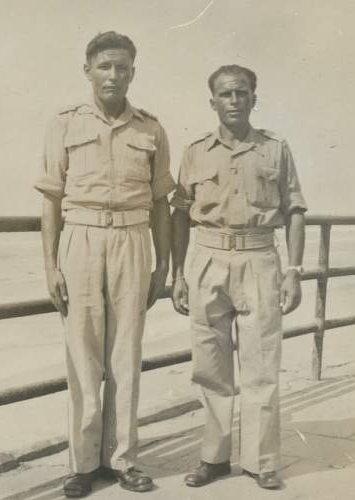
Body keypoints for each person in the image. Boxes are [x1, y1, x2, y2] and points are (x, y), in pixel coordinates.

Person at [34, 31, 175, 497]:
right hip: (80, 239)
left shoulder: (150, 129)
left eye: (123, 67)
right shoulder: (63, 124)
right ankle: (82, 464)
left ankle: (124, 460)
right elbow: (51, 200)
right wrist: (51, 265)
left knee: (126, 357)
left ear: (134, 71)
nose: (114, 75)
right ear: (88, 70)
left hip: (133, 241)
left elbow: (160, 203)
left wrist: (162, 265)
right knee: (82, 355)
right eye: (105, 66)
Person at [171, 64, 306, 490]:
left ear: (253, 99)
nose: (234, 101)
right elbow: (178, 213)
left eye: (241, 93)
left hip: (259, 258)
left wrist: (295, 272)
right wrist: (178, 274)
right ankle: (213, 458)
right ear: (212, 102)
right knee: (210, 367)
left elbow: (296, 211)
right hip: (207, 260)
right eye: (225, 94)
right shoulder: (195, 151)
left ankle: (261, 461)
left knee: (261, 365)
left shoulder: (275, 149)